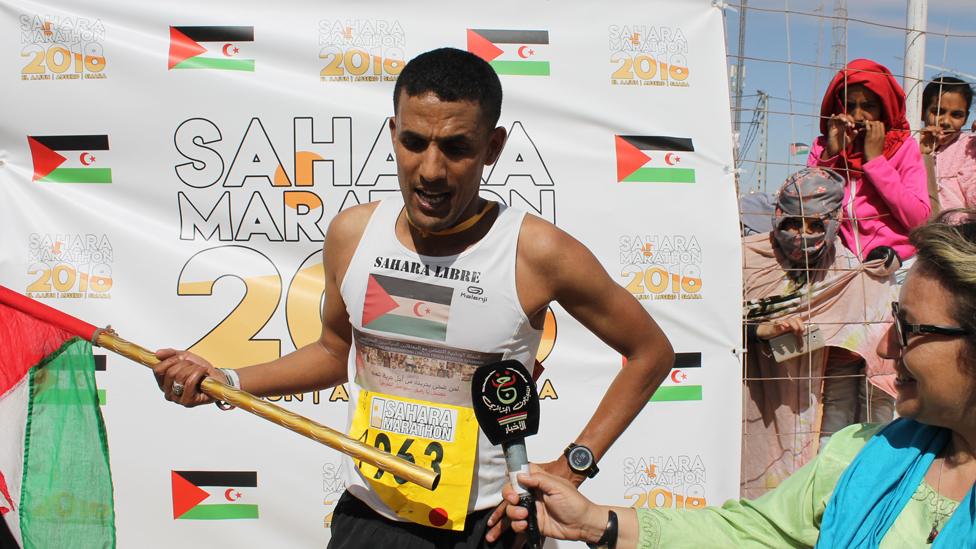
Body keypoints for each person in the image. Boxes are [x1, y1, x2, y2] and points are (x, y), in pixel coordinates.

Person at [151, 47, 675, 548]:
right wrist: (231, 381)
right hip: (370, 520)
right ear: (393, 133)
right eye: (415, 141)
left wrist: (573, 466)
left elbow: (650, 352)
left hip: (489, 528)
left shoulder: (536, 252)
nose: (430, 170)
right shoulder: (353, 235)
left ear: (492, 148)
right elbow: (335, 354)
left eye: (456, 148)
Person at [497, 210, 976, 547]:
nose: (888, 347)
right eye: (894, 321)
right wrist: (595, 523)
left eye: (911, 329)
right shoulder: (861, 456)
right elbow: (755, 534)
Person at [741, 167, 897, 497]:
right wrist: (761, 330)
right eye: (792, 223)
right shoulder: (747, 258)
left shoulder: (843, 270)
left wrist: (883, 268)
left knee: (813, 484)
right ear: (777, 216)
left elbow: (850, 329)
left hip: (821, 395)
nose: (802, 234)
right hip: (753, 393)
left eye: (815, 225)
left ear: (834, 222)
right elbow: (718, 325)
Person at [807, 59, 929, 275]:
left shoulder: (903, 148)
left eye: (869, 106)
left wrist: (876, 162)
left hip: (898, 266)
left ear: (884, 108)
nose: (857, 115)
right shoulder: (823, 147)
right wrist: (830, 157)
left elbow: (918, 220)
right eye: (850, 105)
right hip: (839, 265)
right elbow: (807, 208)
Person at [919, 76, 976, 213]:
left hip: (959, 231)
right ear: (921, 111)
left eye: (956, 115)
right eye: (938, 112)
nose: (945, 121)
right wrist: (919, 154)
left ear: (966, 119)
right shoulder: (909, 145)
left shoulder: (968, 148)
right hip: (918, 228)